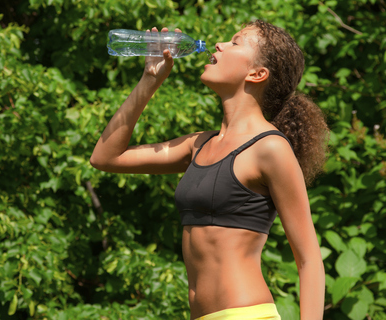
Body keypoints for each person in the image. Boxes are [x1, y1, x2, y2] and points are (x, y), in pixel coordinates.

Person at [90, 20, 328, 320]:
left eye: (235, 42)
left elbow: (308, 259)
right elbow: (106, 157)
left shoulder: (270, 148)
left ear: (257, 74)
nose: (219, 45)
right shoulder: (198, 144)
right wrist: (149, 81)